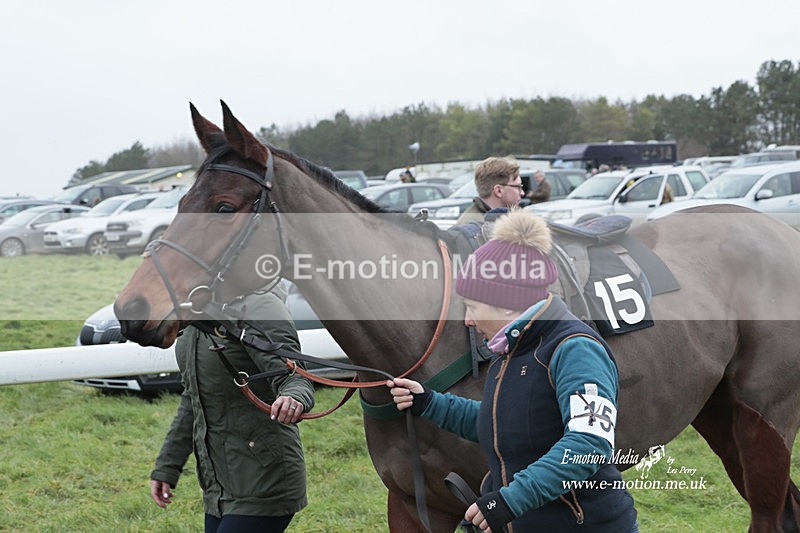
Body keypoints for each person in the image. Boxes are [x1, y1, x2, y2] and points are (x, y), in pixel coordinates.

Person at [387, 211, 638, 532]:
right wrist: (430, 403)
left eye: (473, 307)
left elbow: (588, 445)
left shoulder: (576, 349)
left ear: (506, 304)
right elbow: (503, 423)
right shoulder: (512, 347)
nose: (468, 320)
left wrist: (510, 500)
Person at [150, 283, 315, 533]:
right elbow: (192, 398)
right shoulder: (195, 315)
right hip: (219, 485)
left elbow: (295, 376)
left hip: (264, 477)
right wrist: (167, 466)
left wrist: (293, 397)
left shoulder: (260, 306)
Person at [456, 157, 524, 225]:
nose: (522, 193)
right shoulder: (476, 229)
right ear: (499, 191)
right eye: (518, 187)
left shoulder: (491, 221)